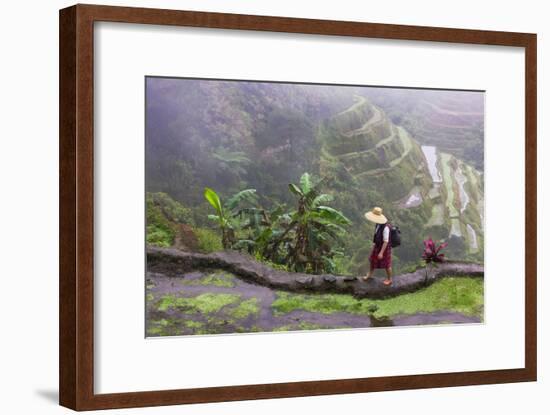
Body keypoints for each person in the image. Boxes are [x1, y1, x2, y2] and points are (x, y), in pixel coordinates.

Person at [362, 207, 393, 286]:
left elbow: (386, 241)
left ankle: (389, 279)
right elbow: (376, 235)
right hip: (377, 245)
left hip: (384, 248)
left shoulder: (386, 227)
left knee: (387, 264)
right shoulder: (378, 224)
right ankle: (369, 274)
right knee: (372, 260)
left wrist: (381, 253)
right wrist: (374, 244)